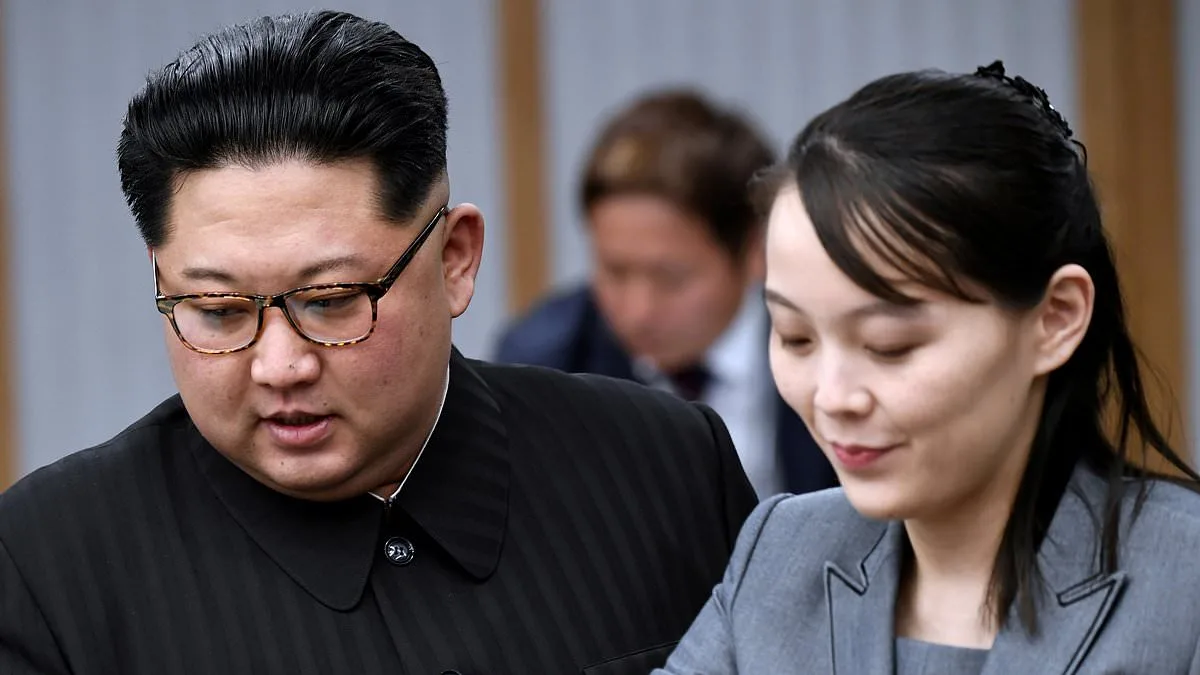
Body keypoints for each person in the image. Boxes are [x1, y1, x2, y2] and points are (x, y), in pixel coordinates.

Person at [0, 11, 759, 675]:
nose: (280, 365)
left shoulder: (667, 468)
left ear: (454, 259)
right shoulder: (49, 566)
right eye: (219, 310)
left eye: (331, 301)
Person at [656, 61, 1200, 673]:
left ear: (1055, 318)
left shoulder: (1184, 581)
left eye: (889, 345)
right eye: (796, 337)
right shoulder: (783, 552)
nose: (833, 396)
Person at [495, 90, 835, 498]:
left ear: (755, 251)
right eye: (615, 272)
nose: (637, 312)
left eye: (671, 278)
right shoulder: (546, 366)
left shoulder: (833, 347)